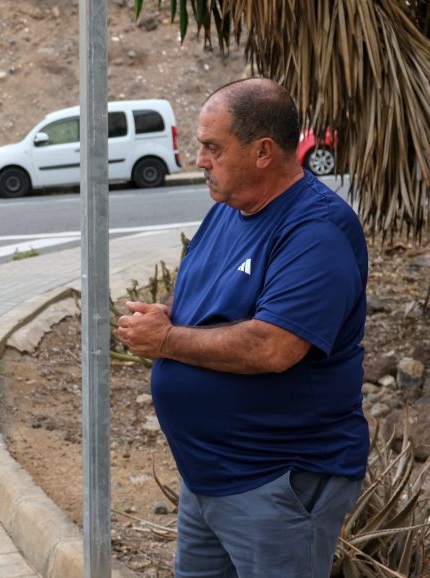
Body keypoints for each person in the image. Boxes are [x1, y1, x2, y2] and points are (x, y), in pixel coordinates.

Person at [116, 78, 369, 578]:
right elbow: (202, 300)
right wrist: (168, 316)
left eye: (213, 147)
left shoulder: (316, 230)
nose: (199, 160)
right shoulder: (227, 212)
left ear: (263, 152)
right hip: (209, 477)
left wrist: (167, 341)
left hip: (276, 480)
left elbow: (274, 346)